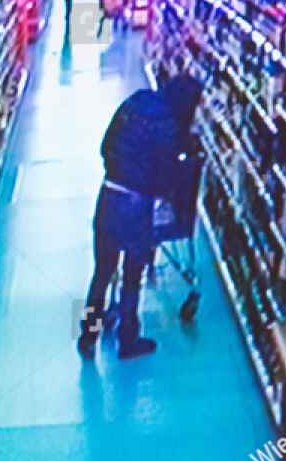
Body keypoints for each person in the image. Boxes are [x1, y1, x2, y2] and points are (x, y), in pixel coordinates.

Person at [78, 74, 203, 360]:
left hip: (108, 194)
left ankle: (88, 336)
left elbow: (105, 145)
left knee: (102, 272)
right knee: (132, 277)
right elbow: (163, 181)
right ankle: (128, 339)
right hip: (135, 206)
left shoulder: (136, 101)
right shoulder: (172, 128)